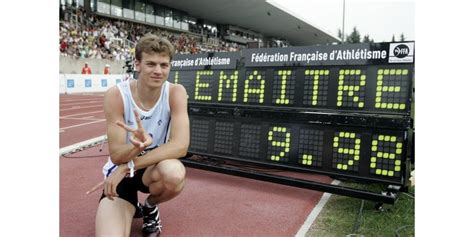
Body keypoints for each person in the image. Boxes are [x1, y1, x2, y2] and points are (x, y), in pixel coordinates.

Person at [88, 33, 189, 236]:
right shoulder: (117, 95)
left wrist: (130, 165)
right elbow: (117, 155)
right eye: (151, 64)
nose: (158, 71)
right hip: (120, 174)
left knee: (174, 172)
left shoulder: (175, 92)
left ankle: (150, 206)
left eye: (164, 65)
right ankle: (129, 202)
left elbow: (181, 146)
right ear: (137, 64)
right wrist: (136, 146)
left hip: (149, 168)